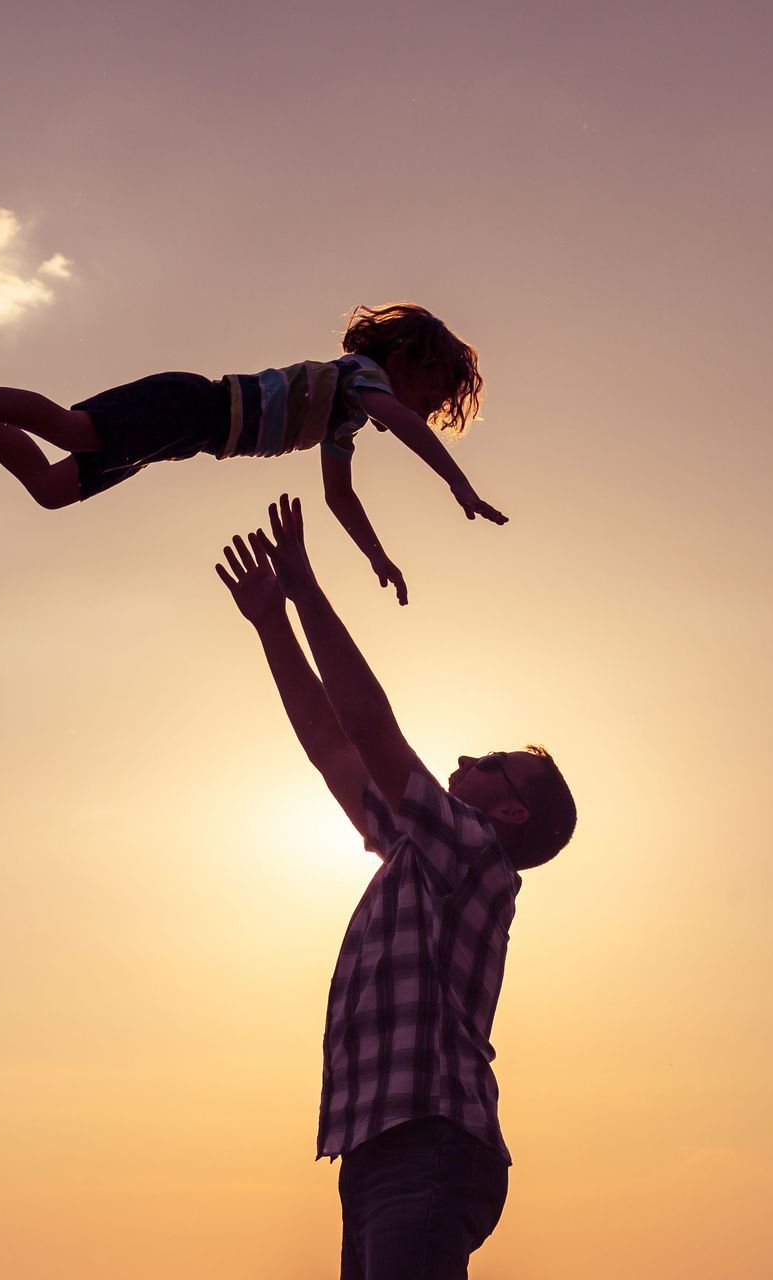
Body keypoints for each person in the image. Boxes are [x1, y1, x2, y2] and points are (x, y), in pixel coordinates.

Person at [214, 494, 577, 1278]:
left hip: (430, 1139)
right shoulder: (423, 852)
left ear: (509, 809)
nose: (474, 757)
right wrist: (273, 624)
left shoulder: (475, 852)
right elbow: (336, 751)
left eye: (495, 765)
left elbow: (371, 728)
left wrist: (307, 592)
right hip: (383, 1146)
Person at [0, 304, 506, 604]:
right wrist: (458, 483)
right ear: (408, 362)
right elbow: (400, 420)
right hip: (189, 407)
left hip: (184, 437)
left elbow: (339, 495)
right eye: (434, 395)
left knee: (51, 488)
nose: (428, 412)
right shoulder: (361, 376)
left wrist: (378, 556)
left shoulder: (343, 417)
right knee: (69, 429)